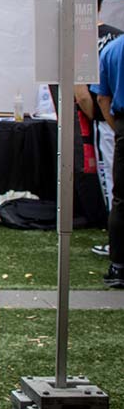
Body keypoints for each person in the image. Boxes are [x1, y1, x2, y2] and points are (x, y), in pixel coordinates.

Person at [92, 33, 124, 288]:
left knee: (120, 195)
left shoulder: (112, 49)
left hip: (119, 123)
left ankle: (119, 264)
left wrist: (116, 128)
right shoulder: (114, 47)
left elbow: (102, 97)